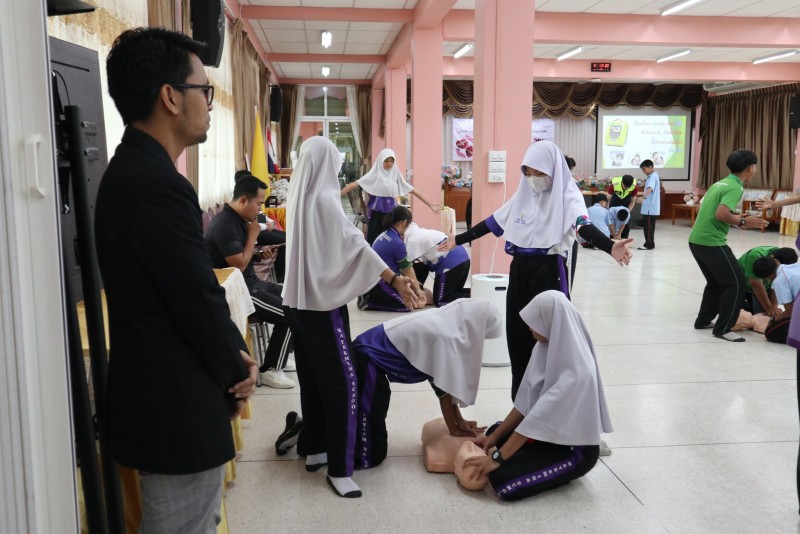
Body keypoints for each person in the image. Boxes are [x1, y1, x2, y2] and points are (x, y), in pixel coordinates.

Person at [95, 28, 256, 532]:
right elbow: (196, 299)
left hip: (161, 404)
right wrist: (237, 368)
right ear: (169, 96)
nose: (209, 103)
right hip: (174, 412)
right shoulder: (158, 185)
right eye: (203, 90)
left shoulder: (132, 170)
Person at [281, 136, 420, 498]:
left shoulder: (297, 197)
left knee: (312, 379)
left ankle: (315, 448)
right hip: (321, 307)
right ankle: (340, 470)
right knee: (344, 384)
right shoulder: (326, 201)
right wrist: (394, 278)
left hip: (296, 303)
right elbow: (356, 246)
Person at [439, 141, 632, 399]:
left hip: (549, 270)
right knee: (517, 336)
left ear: (553, 170)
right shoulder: (523, 194)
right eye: (528, 173)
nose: (533, 179)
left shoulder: (568, 195)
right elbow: (493, 222)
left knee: (549, 340)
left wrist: (609, 246)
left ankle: (549, 406)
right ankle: (520, 405)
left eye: (539, 173)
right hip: (520, 269)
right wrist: (459, 239)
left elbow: (582, 225)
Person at [464, 291, 613, 501]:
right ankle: (539, 464)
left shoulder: (576, 373)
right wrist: (493, 439)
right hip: (544, 435)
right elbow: (525, 403)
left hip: (572, 449)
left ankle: (561, 470)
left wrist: (497, 458)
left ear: (552, 323)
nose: (530, 328)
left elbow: (535, 420)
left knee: (503, 481)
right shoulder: (544, 348)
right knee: (495, 431)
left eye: (535, 324)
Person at [343, 299, 503, 469]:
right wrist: (453, 429)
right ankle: (350, 459)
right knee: (372, 443)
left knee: (374, 412)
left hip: (369, 358)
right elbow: (442, 390)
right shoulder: (446, 336)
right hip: (366, 360)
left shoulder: (450, 323)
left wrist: (460, 421)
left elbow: (445, 382)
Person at [205, 173, 296, 389]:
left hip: (250, 282)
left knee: (294, 299)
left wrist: (257, 255)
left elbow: (241, 258)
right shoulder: (225, 225)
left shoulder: (239, 219)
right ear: (244, 200)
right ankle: (271, 369)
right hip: (239, 291)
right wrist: (254, 235)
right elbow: (237, 265)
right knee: (289, 315)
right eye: (259, 204)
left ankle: (280, 354)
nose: (260, 209)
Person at [688, 149, 769, 342]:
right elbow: (721, 214)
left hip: (696, 240)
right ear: (750, 168)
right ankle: (723, 328)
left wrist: (737, 218)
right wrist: (742, 221)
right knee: (736, 283)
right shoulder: (735, 187)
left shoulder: (720, 183)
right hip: (711, 242)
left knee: (716, 283)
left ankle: (703, 321)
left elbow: (701, 208)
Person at [340, 148, 441, 244]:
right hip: (376, 215)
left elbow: (412, 190)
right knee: (374, 242)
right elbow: (353, 185)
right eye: (386, 161)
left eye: (391, 161)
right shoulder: (374, 174)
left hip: (391, 215)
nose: (389, 164)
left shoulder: (395, 173)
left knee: (391, 241)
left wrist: (430, 204)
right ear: (380, 161)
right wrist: (335, 196)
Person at [362, 206, 430, 311]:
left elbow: (401, 268)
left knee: (422, 293)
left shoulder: (384, 234)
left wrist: (416, 284)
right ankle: (372, 301)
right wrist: (417, 289)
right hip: (379, 285)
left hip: (374, 281)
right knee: (417, 303)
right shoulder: (397, 242)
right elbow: (408, 269)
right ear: (404, 222)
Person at [405, 222, 471, 307]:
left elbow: (409, 270)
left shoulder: (411, 241)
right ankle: (480, 293)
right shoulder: (414, 231)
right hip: (462, 257)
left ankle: (481, 296)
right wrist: (418, 288)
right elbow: (419, 272)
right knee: (454, 292)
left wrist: (417, 290)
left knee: (441, 300)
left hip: (452, 260)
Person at [738, 246, 798, 316]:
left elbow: (777, 286)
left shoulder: (783, 261)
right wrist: (769, 308)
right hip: (742, 286)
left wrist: (773, 307)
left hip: (764, 287)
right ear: (775, 260)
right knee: (745, 314)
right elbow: (756, 284)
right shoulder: (755, 257)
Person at [605, 174, 638, 239]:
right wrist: (607, 211)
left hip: (626, 201)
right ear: (622, 182)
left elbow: (632, 201)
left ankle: (624, 237)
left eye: (628, 187)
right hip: (615, 200)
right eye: (625, 186)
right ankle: (612, 236)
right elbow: (608, 198)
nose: (627, 188)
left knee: (626, 221)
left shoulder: (634, 186)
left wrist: (628, 212)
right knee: (612, 219)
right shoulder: (615, 184)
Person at [637, 160, 660, 250]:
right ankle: (650, 243)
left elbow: (650, 188)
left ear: (651, 167)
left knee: (648, 227)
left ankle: (649, 245)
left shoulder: (653, 176)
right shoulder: (652, 176)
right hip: (649, 207)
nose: (644, 171)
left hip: (650, 207)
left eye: (644, 169)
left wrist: (643, 197)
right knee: (648, 227)